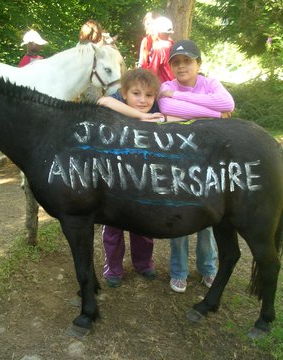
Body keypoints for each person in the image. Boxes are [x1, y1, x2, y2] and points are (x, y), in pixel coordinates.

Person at [158, 39, 235, 293]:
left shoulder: (210, 83)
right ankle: (178, 271)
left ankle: (208, 269)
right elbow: (168, 108)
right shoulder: (165, 87)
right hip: (178, 162)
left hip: (209, 162)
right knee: (180, 218)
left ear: (198, 63)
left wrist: (183, 102)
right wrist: (214, 116)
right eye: (176, 62)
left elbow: (228, 104)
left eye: (187, 61)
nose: (181, 67)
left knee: (208, 218)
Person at [97, 68, 169, 288]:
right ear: (124, 94)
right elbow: (102, 101)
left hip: (144, 182)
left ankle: (143, 263)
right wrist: (141, 116)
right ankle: (114, 268)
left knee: (144, 227)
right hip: (114, 183)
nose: (142, 100)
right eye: (136, 93)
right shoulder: (116, 109)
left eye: (148, 95)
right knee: (113, 229)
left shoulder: (158, 111)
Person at [139, 16, 175, 83]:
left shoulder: (159, 47)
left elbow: (153, 71)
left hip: (164, 87)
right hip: (175, 85)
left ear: (157, 32)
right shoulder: (173, 44)